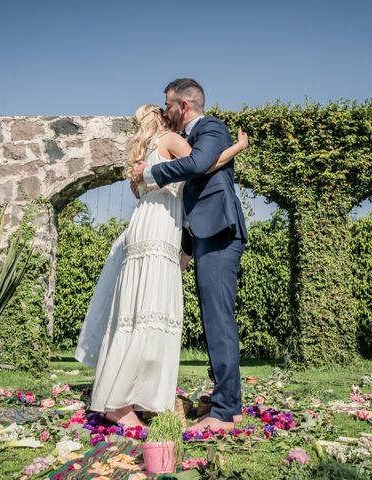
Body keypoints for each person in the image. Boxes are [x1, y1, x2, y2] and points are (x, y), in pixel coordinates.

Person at [76, 103, 248, 428]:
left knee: (136, 310)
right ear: (160, 116)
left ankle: (127, 395)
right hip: (161, 227)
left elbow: (141, 188)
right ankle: (122, 401)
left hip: (144, 224)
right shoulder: (170, 140)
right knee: (154, 312)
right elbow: (205, 164)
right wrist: (237, 146)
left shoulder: (141, 154)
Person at [131, 79, 248, 433]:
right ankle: (227, 402)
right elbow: (198, 179)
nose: (164, 111)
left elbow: (199, 165)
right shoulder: (191, 140)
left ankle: (225, 412)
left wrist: (149, 172)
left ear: (183, 105)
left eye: (168, 105)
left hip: (219, 233)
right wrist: (184, 248)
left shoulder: (211, 127)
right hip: (201, 236)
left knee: (218, 319)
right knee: (214, 317)